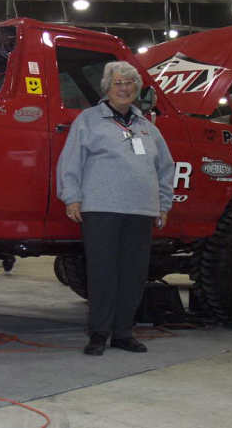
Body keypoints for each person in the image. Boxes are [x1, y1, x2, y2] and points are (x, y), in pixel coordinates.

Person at [57, 61, 174, 356]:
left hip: (141, 210)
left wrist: (163, 204)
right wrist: (72, 197)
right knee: (102, 272)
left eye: (129, 83)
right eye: (118, 83)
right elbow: (71, 160)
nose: (124, 88)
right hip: (101, 208)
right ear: (107, 88)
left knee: (133, 274)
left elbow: (165, 168)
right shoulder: (88, 120)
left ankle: (123, 333)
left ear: (137, 88)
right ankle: (99, 333)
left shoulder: (147, 128)